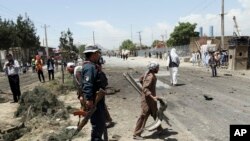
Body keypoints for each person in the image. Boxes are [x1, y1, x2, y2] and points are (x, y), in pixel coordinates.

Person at [80, 45, 106, 141]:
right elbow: (87, 84)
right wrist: (89, 99)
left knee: (101, 123)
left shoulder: (93, 65)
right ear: (93, 54)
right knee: (98, 125)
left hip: (98, 99)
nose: (99, 55)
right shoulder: (89, 67)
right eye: (97, 53)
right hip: (95, 100)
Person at [133, 61, 163, 140]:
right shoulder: (151, 77)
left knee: (155, 114)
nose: (158, 69)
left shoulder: (147, 73)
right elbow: (145, 88)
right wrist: (152, 96)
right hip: (147, 101)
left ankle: (159, 129)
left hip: (151, 100)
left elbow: (140, 79)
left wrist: (151, 95)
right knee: (143, 116)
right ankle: (136, 134)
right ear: (154, 69)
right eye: (157, 67)